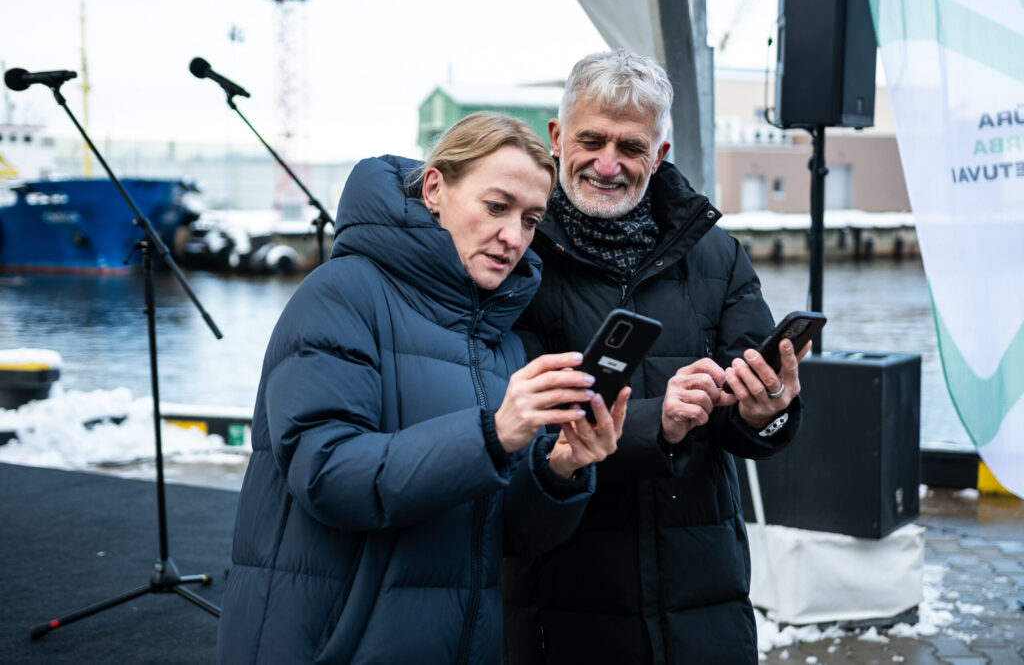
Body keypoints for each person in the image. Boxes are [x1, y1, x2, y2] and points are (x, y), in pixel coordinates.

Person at [217, 112, 630, 665]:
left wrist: (559, 469)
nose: (514, 237)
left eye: (531, 219)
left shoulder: (502, 339)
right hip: (326, 645)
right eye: (497, 206)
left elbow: (503, 535)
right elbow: (325, 473)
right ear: (435, 189)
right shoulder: (341, 294)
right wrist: (492, 435)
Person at [502, 50, 808, 664]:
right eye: (591, 140)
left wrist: (766, 412)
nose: (607, 164)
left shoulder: (717, 255)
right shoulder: (517, 253)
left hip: (704, 599)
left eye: (631, 147)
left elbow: (749, 423)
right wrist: (657, 423)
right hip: (565, 605)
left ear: (660, 153)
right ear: (557, 138)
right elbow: (519, 432)